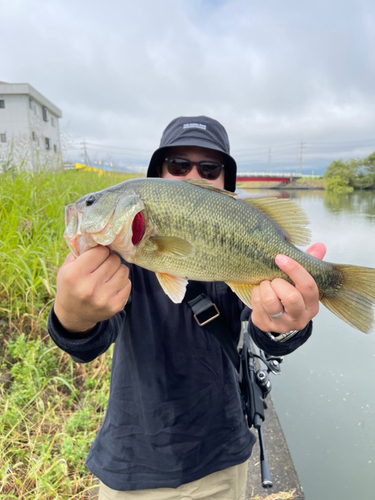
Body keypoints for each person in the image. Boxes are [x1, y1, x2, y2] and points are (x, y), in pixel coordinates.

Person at [48, 116, 325, 500]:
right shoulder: (122, 257)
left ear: (225, 180)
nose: (193, 175)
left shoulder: (235, 236)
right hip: (133, 463)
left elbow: (266, 332)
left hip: (221, 457)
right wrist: (72, 316)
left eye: (209, 168)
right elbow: (89, 341)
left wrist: (285, 322)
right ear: (158, 175)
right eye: (178, 165)